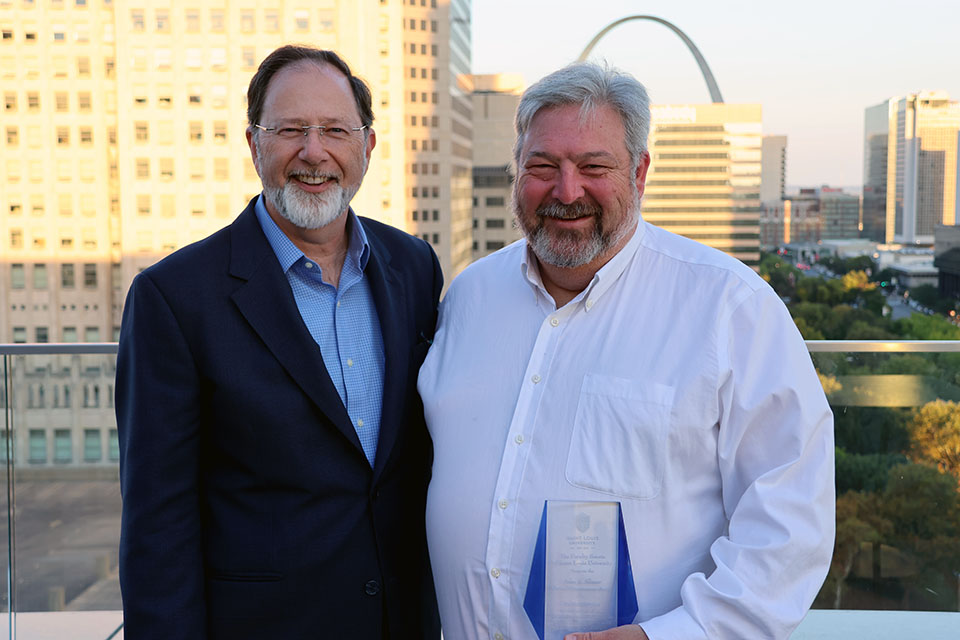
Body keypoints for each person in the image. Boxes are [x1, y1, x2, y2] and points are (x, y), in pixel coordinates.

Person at [418, 62, 834, 640]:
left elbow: (791, 516)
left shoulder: (729, 308)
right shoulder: (469, 296)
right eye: (543, 166)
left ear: (639, 172)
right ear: (517, 171)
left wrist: (674, 635)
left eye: (594, 167)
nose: (567, 191)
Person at [116, 46, 442, 639]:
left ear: (368, 146)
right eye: (290, 130)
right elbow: (157, 524)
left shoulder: (414, 266)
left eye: (335, 131)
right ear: (253, 144)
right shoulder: (175, 298)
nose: (314, 153)